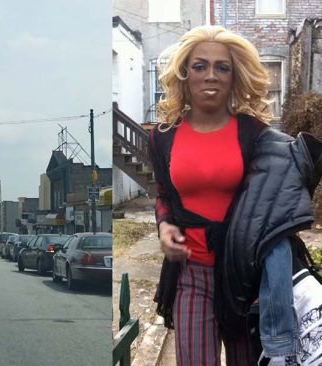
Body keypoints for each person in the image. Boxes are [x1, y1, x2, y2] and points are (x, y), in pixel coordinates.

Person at [148, 25, 312, 365]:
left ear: (234, 77)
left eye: (222, 67)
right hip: (191, 274)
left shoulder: (256, 135)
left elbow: (279, 200)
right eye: (200, 66)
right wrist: (164, 227)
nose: (211, 76)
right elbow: (164, 194)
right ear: (184, 74)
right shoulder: (162, 137)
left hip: (246, 277)